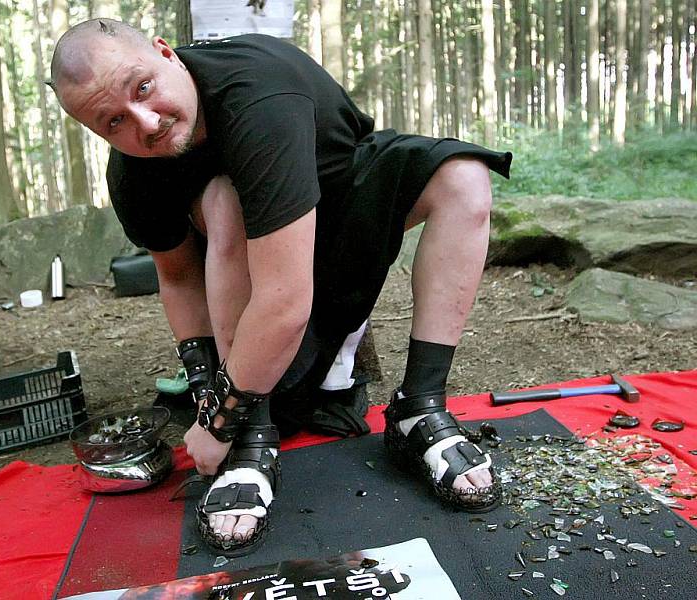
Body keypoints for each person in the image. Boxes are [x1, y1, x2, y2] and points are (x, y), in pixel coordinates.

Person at [50, 18, 512, 557]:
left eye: (144, 88)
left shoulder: (258, 96)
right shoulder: (134, 172)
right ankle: (253, 438)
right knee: (224, 197)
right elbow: (177, 278)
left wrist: (216, 422)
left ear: (165, 53)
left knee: (462, 175)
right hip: (243, 267)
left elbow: (285, 302)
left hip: (340, 219)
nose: (145, 122)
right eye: (113, 123)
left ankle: (419, 407)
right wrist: (213, 402)